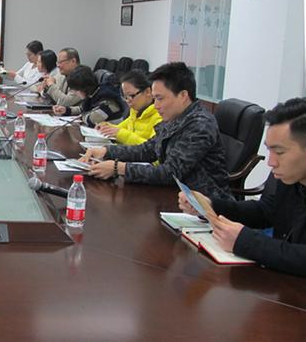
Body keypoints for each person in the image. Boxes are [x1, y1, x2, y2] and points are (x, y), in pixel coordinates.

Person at [179, 98, 306, 276]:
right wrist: (211, 206)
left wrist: (246, 242)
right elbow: (266, 211)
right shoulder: (291, 178)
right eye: (269, 151)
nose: (271, 162)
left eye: (279, 152)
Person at [84, 62, 232, 200]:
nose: (156, 106)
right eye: (155, 99)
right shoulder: (176, 118)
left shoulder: (200, 125)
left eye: (160, 98)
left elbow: (171, 172)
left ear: (183, 96)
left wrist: (118, 168)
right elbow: (148, 149)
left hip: (205, 204)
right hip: (177, 196)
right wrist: (106, 151)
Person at [97, 69, 162, 145]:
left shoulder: (159, 117)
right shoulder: (135, 112)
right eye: (125, 97)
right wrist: (106, 127)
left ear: (147, 92)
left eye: (131, 96)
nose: (128, 101)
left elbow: (153, 148)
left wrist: (122, 134)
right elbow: (119, 128)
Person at [52, 65, 124, 126]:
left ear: (84, 88)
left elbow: (91, 120)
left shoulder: (107, 100)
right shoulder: (93, 94)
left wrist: (81, 117)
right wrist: (66, 110)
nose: (75, 93)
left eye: (76, 90)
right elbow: (82, 109)